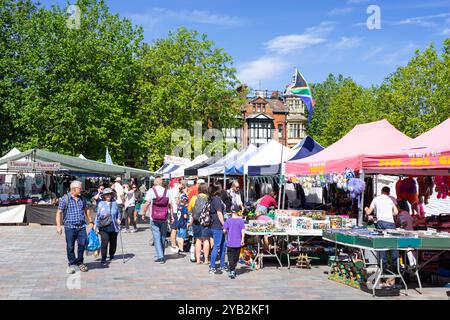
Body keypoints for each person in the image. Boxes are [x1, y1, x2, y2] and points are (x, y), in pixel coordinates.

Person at [56, 180, 94, 274]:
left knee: (82, 245)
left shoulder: (82, 199)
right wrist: (58, 226)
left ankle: (80, 262)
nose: (81, 190)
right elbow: (59, 212)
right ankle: (72, 264)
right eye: (80, 188)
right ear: (73, 189)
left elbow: (86, 209)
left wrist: (90, 221)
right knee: (70, 247)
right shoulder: (65, 199)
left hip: (81, 227)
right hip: (70, 227)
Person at [365, 186, 399, 277]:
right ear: (388, 192)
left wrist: (365, 209)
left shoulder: (376, 199)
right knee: (393, 244)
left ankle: (383, 269)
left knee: (382, 244)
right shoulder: (390, 199)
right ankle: (396, 269)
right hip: (391, 223)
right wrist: (388, 214)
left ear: (381, 191)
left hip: (381, 223)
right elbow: (396, 212)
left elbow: (368, 212)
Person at [141, 176, 171, 264]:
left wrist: (143, 213)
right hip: (164, 217)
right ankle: (161, 254)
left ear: (154, 183)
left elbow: (147, 203)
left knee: (156, 236)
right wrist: (171, 216)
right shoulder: (167, 191)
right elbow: (170, 205)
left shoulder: (151, 191)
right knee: (162, 236)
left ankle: (160, 256)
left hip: (154, 217)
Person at [94, 188, 122, 266]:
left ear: (112, 195)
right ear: (104, 196)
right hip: (103, 226)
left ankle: (112, 255)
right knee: (104, 241)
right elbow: (97, 215)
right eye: (106, 194)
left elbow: (118, 214)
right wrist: (95, 226)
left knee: (113, 242)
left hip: (113, 226)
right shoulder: (100, 203)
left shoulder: (115, 203)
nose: (108, 196)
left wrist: (119, 219)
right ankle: (103, 257)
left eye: (110, 194)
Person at [188, 183, 211, 264]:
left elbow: (189, 209)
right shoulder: (209, 198)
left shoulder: (194, 198)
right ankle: (206, 260)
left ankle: (198, 260)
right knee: (206, 240)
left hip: (196, 221)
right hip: (206, 222)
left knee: (197, 240)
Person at [209, 183, 227, 274]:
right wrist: (224, 225)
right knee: (216, 246)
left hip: (217, 225)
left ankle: (222, 265)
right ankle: (212, 267)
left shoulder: (214, 199)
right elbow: (219, 213)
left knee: (223, 246)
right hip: (217, 226)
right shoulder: (216, 199)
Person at [223, 210, 246, 279]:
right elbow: (243, 230)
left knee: (231, 258)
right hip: (238, 243)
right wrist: (242, 239)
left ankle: (232, 269)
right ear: (238, 212)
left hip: (230, 242)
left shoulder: (228, 220)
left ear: (231, 213)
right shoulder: (241, 221)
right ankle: (232, 270)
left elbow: (224, 230)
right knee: (235, 257)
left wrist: (226, 231)